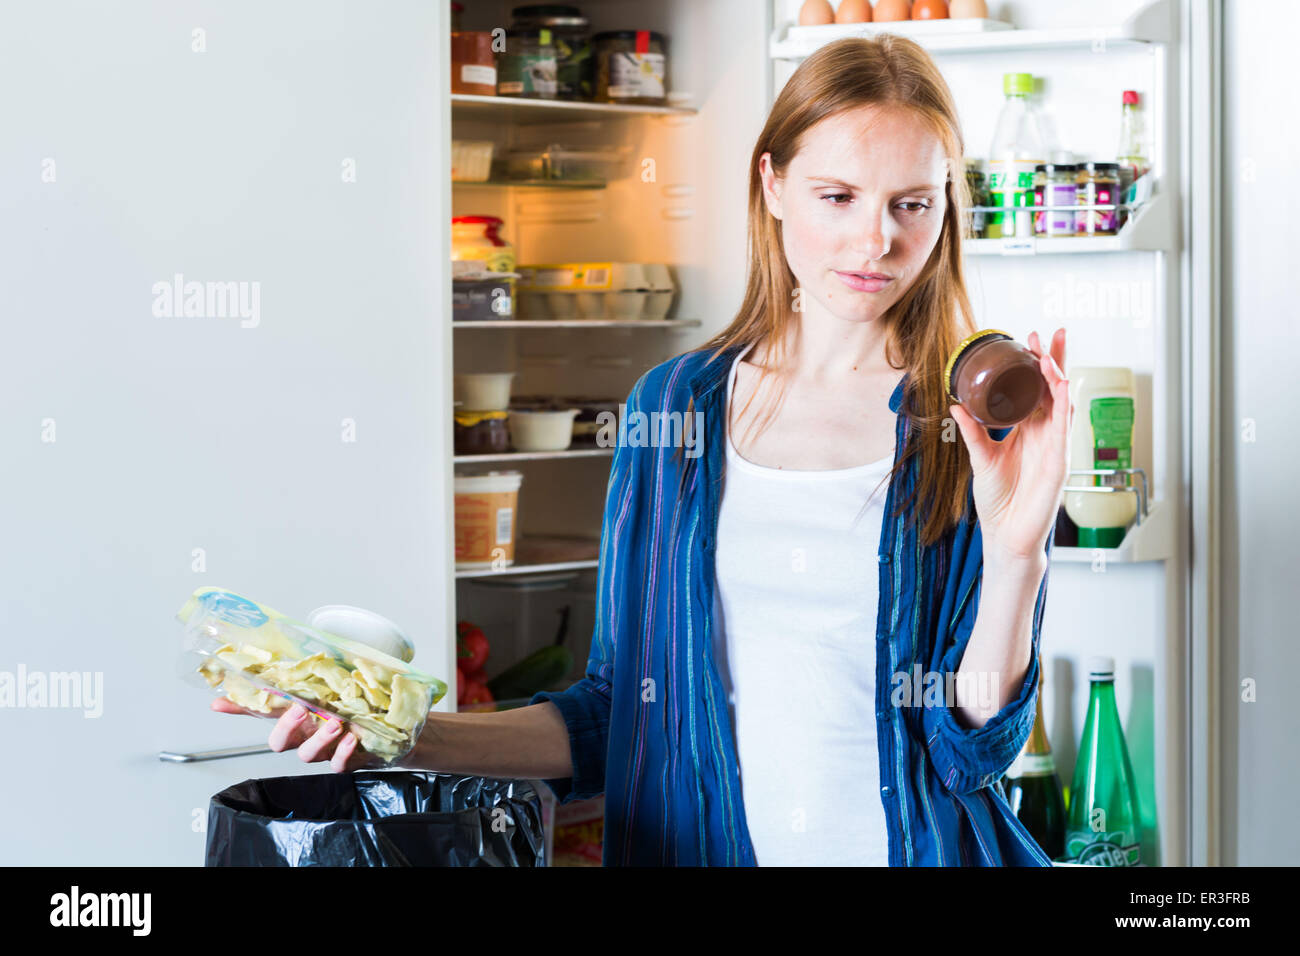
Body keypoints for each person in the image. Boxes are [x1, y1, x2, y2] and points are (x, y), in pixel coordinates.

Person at [216, 34, 1072, 866]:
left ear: (948, 203)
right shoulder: (674, 411)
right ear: (772, 185)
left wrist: (1017, 551)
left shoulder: (968, 428)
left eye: (911, 203)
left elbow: (975, 753)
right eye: (836, 196)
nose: (876, 241)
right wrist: (398, 738)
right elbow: (615, 713)